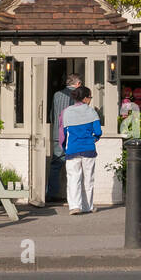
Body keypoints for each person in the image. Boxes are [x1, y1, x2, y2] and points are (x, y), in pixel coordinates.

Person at [60, 87, 102, 214]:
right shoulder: (92, 112)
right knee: (88, 179)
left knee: (73, 178)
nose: (90, 100)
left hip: (72, 149)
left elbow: (63, 133)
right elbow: (98, 132)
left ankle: (74, 206)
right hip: (88, 149)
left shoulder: (66, 112)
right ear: (85, 98)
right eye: (90, 97)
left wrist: (64, 147)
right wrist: (93, 139)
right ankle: (87, 206)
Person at [48, 74, 82, 202]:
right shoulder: (79, 95)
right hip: (74, 134)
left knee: (56, 164)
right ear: (77, 83)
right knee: (75, 164)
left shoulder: (57, 95)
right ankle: (73, 196)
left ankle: (52, 194)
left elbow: (52, 114)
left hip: (58, 133)